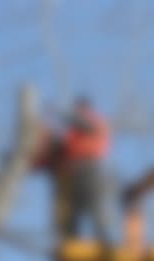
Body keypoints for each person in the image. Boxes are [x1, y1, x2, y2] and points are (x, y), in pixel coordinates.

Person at [32, 96, 112, 245]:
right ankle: (70, 239)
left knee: (94, 203)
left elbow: (83, 124)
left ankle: (103, 238)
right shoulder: (71, 138)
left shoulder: (93, 121)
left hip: (88, 168)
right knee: (67, 209)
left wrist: (62, 113)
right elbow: (48, 158)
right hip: (70, 173)